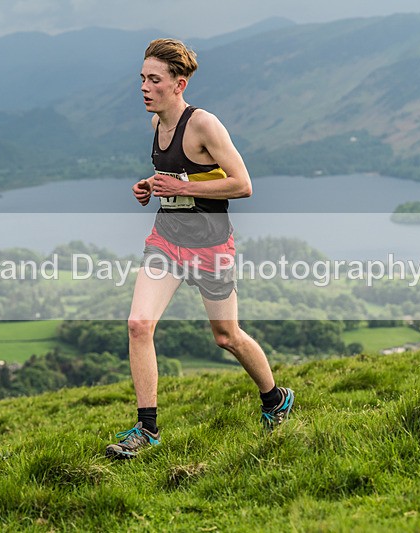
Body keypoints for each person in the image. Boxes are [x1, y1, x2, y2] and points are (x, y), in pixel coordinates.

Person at [105, 38, 294, 459]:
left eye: (154, 80)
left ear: (179, 83)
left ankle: (274, 398)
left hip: (210, 244)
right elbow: (172, 179)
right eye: (142, 78)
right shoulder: (157, 125)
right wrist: (150, 186)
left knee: (226, 336)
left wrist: (181, 185)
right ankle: (147, 429)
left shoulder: (204, 124)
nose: (144, 87)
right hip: (167, 239)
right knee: (138, 324)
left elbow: (243, 185)